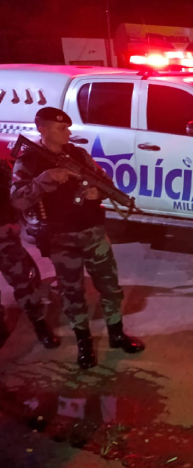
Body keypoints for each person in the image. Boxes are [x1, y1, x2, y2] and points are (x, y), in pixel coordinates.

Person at [10, 107, 144, 369]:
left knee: (110, 287)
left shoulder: (77, 154)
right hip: (60, 237)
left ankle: (116, 334)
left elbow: (102, 180)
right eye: (61, 128)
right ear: (43, 129)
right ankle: (84, 343)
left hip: (92, 232)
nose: (68, 132)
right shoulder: (29, 161)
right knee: (72, 294)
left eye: (68, 127)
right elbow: (18, 199)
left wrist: (98, 194)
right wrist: (45, 180)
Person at [0, 159, 60, 350]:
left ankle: (40, 325)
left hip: (3, 235)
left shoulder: (2, 166)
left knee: (23, 282)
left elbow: (16, 198)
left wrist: (16, 223)